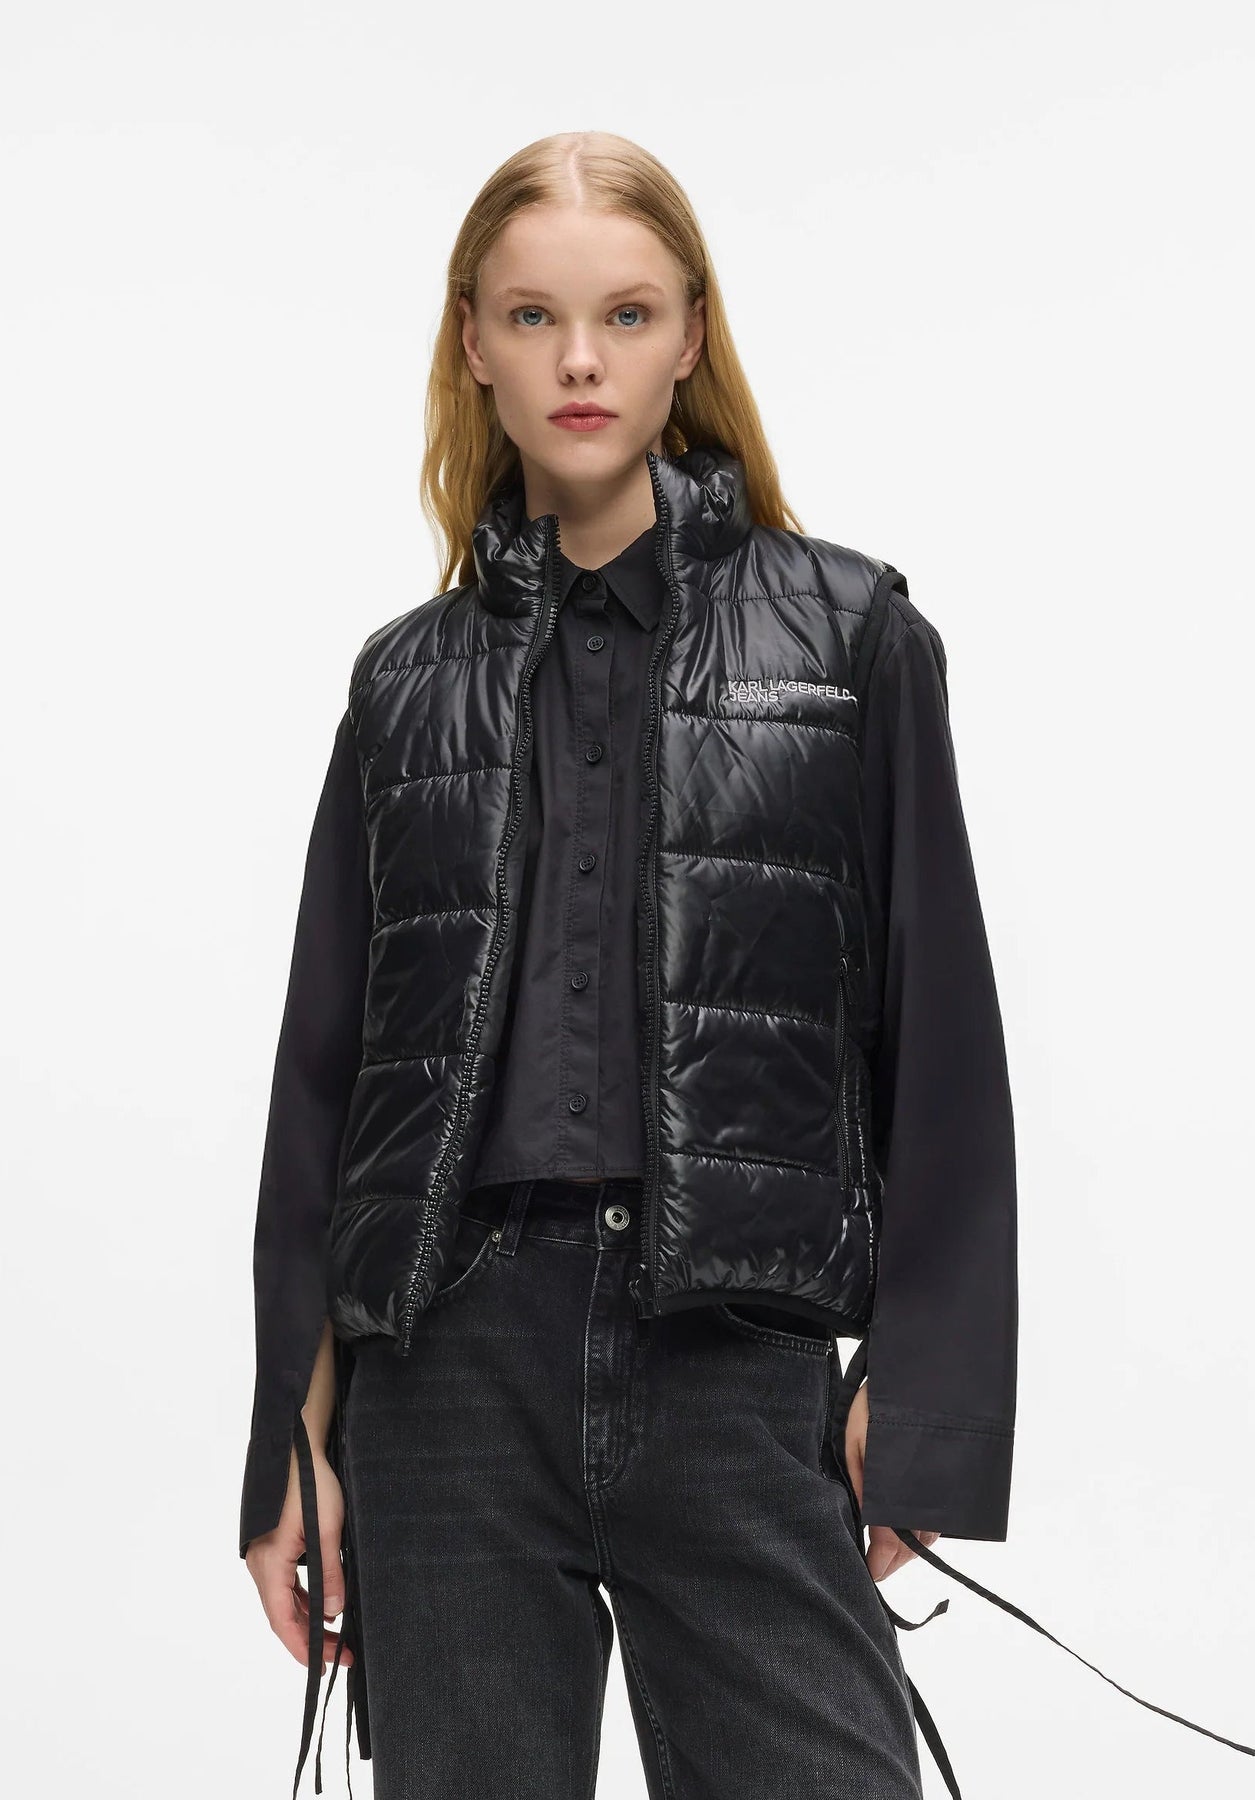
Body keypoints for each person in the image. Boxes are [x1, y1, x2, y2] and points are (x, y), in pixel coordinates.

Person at [240, 131, 1252, 1800]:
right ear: (472, 341)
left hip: (733, 1365)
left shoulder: (852, 639)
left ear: (692, 337)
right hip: (448, 1384)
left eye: (627, 315)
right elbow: (325, 1085)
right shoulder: (402, 687)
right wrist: (293, 1438)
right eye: (534, 316)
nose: (580, 360)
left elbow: (940, 1039)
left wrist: (923, 1401)